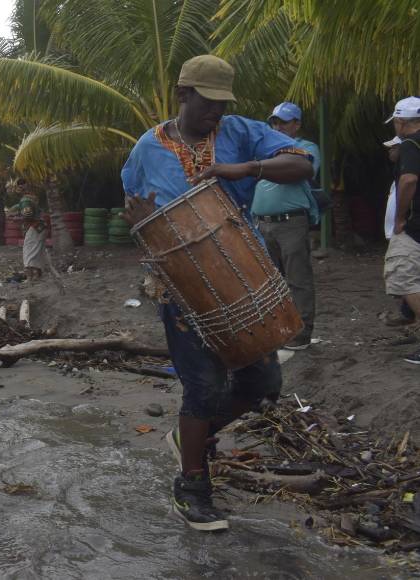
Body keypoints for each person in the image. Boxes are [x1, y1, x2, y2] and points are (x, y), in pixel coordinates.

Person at [120, 55, 314, 531]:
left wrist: (242, 168)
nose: (216, 114)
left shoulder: (240, 132)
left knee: (262, 384)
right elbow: (136, 206)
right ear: (183, 94)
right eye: (208, 103)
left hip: (241, 274)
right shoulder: (148, 148)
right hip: (180, 285)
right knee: (203, 386)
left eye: (222, 104)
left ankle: (190, 437)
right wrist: (140, 223)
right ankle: (192, 485)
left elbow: (301, 164)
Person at [251, 102, 321, 350]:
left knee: (297, 277)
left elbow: (301, 171)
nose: (278, 126)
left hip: (290, 222)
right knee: (270, 280)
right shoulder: (262, 150)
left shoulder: (305, 148)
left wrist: (259, 167)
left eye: (284, 122)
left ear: (297, 124)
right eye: (275, 122)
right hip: (262, 223)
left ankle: (301, 331)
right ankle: (278, 327)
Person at [385, 97, 420, 363]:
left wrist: (399, 218)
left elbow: (408, 180)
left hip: (414, 225)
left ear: (401, 121)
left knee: (403, 277)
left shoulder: (410, 143)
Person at [8, 178, 46, 281]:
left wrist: (17, 219)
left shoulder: (25, 200)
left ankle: (30, 277)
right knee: (37, 251)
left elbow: (28, 216)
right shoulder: (32, 198)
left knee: (28, 251)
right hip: (40, 227)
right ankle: (38, 275)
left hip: (35, 227)